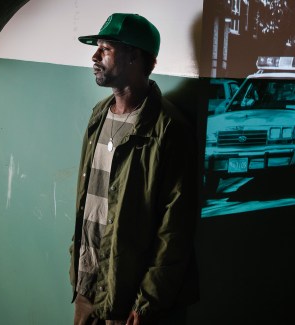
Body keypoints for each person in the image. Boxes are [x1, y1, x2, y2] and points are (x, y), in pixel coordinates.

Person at [68, 13, 199, 325]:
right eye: (97, 47)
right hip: (87, 288)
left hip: (131, 300)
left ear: (136, 58)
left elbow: (175, 227)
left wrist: (147, 301)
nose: (95, 56)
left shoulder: (168, 129)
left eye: (106, 49)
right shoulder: (99, 114)